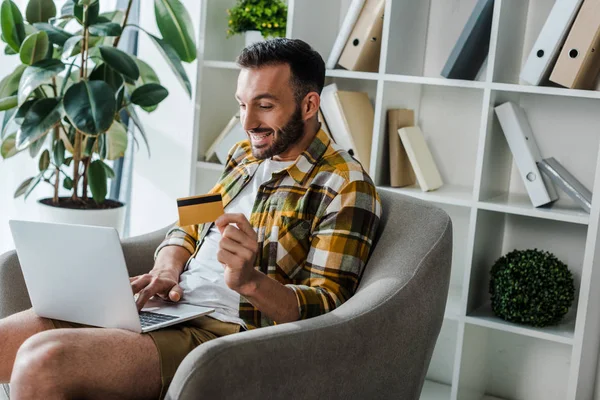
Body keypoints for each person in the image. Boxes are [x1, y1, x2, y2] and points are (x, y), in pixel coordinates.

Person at [0, 38, 381, 399]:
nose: (247, 122)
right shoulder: (242, 157)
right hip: (169, 305)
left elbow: (330, 308)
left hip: (221, 331)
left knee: (43, 360)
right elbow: (188, 225)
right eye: (242, 105)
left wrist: (249, 282)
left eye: (264, 106)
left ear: (310, 105)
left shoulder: (346, 184)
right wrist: (167, 269)